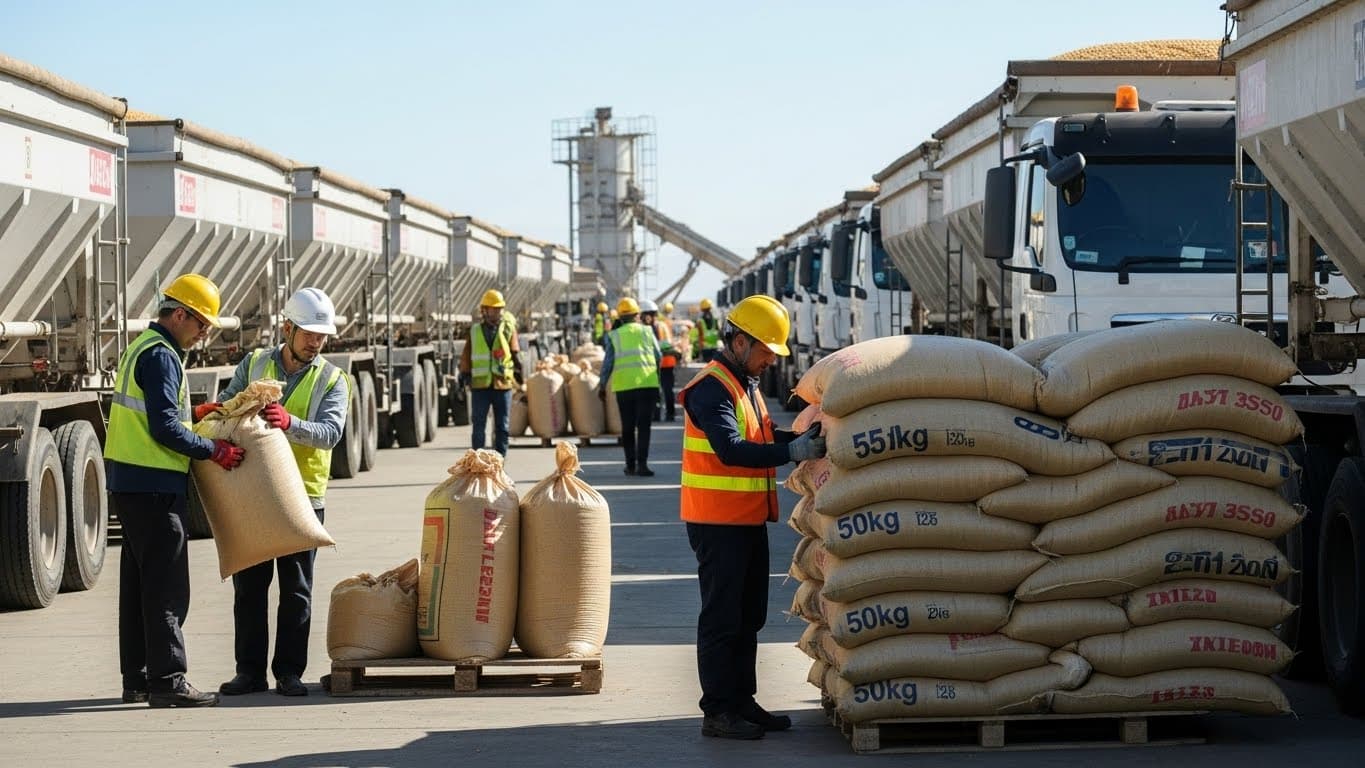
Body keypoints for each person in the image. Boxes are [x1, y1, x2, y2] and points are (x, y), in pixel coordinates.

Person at [678, 294, 826, 740]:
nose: (769, 360)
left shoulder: (746, 384)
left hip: (745, 520)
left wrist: (799, 436)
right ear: (740, 342)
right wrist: (790, 452)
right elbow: (731, 448)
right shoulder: (711, 388)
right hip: (717, 523)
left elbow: (759, 435)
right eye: (765, 351)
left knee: (748, 617)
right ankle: (717, 711)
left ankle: (743, 701)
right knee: (722, 619)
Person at [106, 273, 244, 709]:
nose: (204, 334)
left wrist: (194, 411)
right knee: (166, 588)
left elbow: (158, 412)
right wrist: (214, 450)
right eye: (201, 324)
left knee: (138, 587)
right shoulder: (163, 356)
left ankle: (139, 679)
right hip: (155, 486)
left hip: (129, 483)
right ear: (179, 314)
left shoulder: (141, 347)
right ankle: (168, 681)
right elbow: (165, 429)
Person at [215, 287, 347, 698]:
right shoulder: (253, 363)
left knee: (296, 590)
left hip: (302, 498)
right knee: (249, 588)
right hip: (253, 491)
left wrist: (290, 423)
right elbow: (223, 407)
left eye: (321, 335)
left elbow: (330, 434)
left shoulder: (332, 378)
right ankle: (249, 672)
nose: (315, 342)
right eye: (308, 332)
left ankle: (289, 673)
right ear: (287, 327)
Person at [597, 297, 661, 476]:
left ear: (620, 317)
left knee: (627, 426)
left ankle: (630, 465)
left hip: (624, 387)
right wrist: (657, 377)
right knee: (644, 426)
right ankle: (643, 465)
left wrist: (602, 386)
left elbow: (608, 363)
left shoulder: (614, 335)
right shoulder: (647, 331)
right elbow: (658, 355)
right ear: (637, 315)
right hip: (648, 385)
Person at [458, 289, 524, 456]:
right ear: (484, 310)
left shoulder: (508, 329)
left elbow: (515, 352)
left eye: (499, 309)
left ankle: (499, 462)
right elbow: (466, 355)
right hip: (480, 386)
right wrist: (464, 375)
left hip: (502, 385)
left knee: (502, 426)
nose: (497, 312)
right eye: (493, 308)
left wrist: (520, 374)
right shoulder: (474, 331)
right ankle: (478, 461)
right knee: (479, 426)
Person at [639, 299, 677, 422]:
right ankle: (667, 415)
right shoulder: (662, 325)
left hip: (661, 362)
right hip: (665, 362)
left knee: (661, 390)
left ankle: (659, 415)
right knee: (664, 390)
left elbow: (659, 346)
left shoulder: (651, 328)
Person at [690, 298, 722, 362]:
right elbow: (720, 333)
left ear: (702, 309)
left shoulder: (700, 322)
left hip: (705, 350)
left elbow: (698, 336)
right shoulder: (715, 320)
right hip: (715, 348)